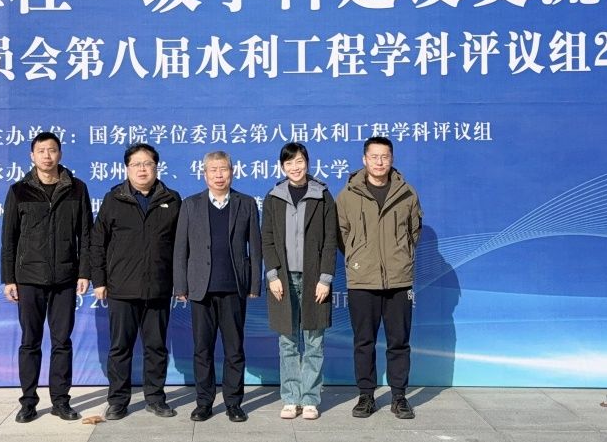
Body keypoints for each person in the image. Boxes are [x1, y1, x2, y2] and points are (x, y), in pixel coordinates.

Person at [0, 132, 92, 423]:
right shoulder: (19, 191)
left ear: (60, 154)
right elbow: (9, 239)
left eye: (52, 150)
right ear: (32, 156)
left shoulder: (77, 188)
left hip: (65, 278)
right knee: (30, 342)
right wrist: (9, 279)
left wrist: (84, 272)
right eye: (41, 151)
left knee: (62, 342)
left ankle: (61, 402)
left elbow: (86, 235)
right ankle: (28, 402)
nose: (47, 156)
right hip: (28, 278)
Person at [89, 143, 182, 420]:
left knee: (156, 347)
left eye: (148, 164)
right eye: (136, 164)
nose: (142, 169)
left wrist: (180, 283)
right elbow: (98, 242)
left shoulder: (172, 200)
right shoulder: (114, 199)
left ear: (156, 167)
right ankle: (118, 400)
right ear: (127, 168)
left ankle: (155, 398)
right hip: (121, 288)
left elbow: (182, 246)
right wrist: (99, 280)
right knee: (120, 348)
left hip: (158, 287)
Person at [172, 151, 262, 422]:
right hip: (201, 290)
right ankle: (204, 403)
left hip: (234, 288)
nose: (219, 175)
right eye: (213, 170)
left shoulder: (246, 203)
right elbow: (180, 249)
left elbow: (256, 248)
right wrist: (180, 286)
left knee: (234, 349)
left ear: (232, 172)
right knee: (202, 350)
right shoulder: (191, 205)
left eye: (223, 169)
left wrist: (254, 283)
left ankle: (234, 403)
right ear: (205, 174)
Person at [336, 136, 423, 419]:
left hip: (399, 279)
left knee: (399, 342)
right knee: (364, 341)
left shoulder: (407, 193)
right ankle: (366, 396)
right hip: (362, 280)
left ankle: (399, 397)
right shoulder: (348, 195)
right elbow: (341, 234)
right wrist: (358, 257)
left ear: (392, 159)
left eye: (385, 156)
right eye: (374, 156)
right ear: (364, 159)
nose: (379, 162)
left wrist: (399, 256)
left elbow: (414, 232)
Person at [262, 142, 339, 421]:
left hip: (314, 279)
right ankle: (291, 398)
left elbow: (330, 240)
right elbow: (267, 239)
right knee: (288, 341)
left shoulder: (322, 196)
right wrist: (272, 275)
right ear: (282, 167)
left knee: (314, 341)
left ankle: (310, 399)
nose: (295, 167)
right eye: (289, 163)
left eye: (299, 161)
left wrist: (325, 278)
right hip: (283, 279)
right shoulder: (274, 197)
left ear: (307, 162)